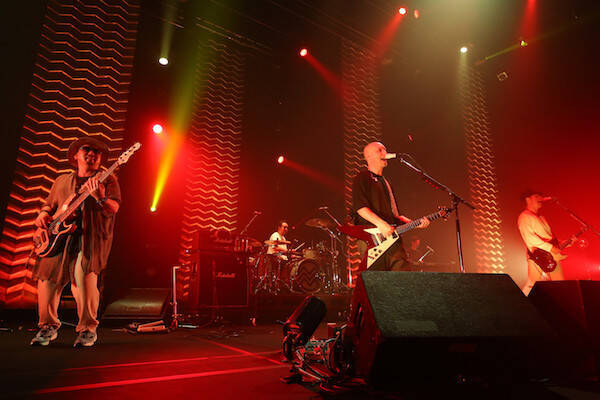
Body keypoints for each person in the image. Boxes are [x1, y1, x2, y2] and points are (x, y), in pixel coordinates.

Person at [30, 137, 120, 347]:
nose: (92, 153)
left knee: (83, 278)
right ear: (75, 155)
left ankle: (88, 329)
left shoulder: (108, 179)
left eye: (97, 151)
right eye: (87, 149)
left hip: (88, 239)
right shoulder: (62, 180)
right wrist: (43, 215)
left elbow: (114, 208)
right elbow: (50, 204)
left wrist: (100, 197)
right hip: (57, 238)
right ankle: (47, 327)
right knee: (47, 281)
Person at [351, 141, 429, 271]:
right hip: (372, 239)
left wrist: (415, 223)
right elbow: (361, 208)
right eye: (380, 150)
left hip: (392, 238)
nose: (385, 153)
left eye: (385, 150)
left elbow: (396, 215)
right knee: (378, 278)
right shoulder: (362, 178)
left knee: (403, 275)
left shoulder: (387, 183)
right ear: (368, 156)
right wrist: (381, 224)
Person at [518, 190, 566, 296]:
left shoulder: (541, 217)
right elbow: (530, 238)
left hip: (551, 255)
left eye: (540, 196)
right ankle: (519, 303)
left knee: (560, 285)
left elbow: (548, 237)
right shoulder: (525, 216)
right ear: (528, 199)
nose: (540, 199)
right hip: (537, 255)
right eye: (536, 196)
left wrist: (563, 242)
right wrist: (550, 248)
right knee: (532, 284)